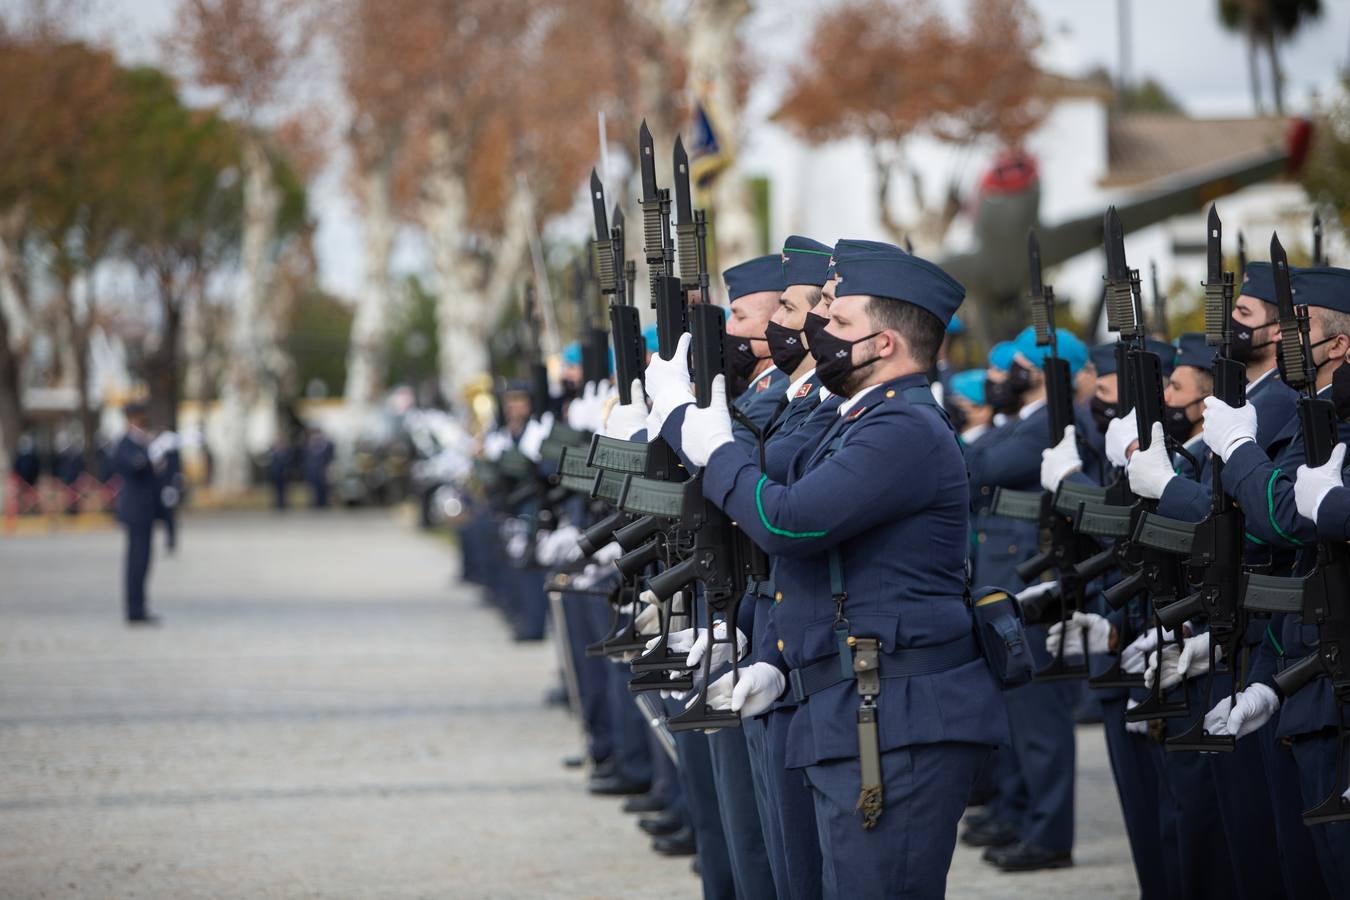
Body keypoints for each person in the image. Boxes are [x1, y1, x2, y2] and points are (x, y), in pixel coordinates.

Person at [648, 244, 1008, 897]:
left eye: (839, 323)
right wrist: (779, 664)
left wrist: (702, 437)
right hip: (852, 707)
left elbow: (789, 521)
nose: (819, 332)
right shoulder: (857, 421)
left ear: (886, 343)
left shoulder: (902, 428)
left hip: (894, 717)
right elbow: (825, 566)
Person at [1200, 263, 1350, 896]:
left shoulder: (1324, 415)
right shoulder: (1320, 408)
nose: (1288, 335)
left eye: (1301, 325)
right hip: (1303, 671)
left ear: (1338, 343)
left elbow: (1280, 522)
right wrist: (1267, 681)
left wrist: (1237, 451)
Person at [114, 403, 161, 625]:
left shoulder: (141, 443)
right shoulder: (125, 444)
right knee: (136, 561)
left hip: (146, 510)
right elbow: (133, 467)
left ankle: (139, 607)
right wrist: (150, 452)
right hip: (135, 511)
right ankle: (134, 610)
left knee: (143, 561)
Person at [302, 427, 335, 509]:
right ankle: (316, 505)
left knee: (324, 489)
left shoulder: (327, 445)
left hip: (323, 472)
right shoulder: (308, 445)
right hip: (312, 472)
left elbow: (330, 458)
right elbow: (306, 459)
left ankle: (324, 504)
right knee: (313, 490)